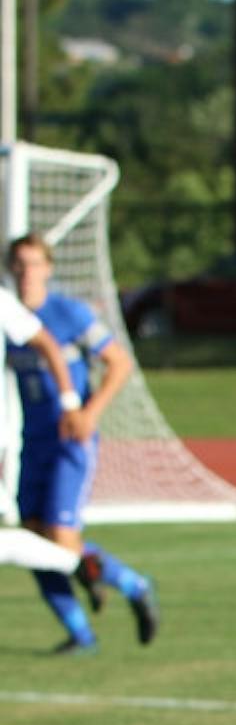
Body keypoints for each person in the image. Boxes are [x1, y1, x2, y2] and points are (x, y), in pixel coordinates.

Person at [7, 232, 153, 656]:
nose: (27, 272)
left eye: (34, 263)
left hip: (71, 438)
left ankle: (131, 584)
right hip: (30, 442)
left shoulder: (67, 314)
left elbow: (118, 363)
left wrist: (87, 411)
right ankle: (80, 633)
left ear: (49, 269)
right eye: (19, 264)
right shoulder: (9, 316)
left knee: (60, 536)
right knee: (31, 538)